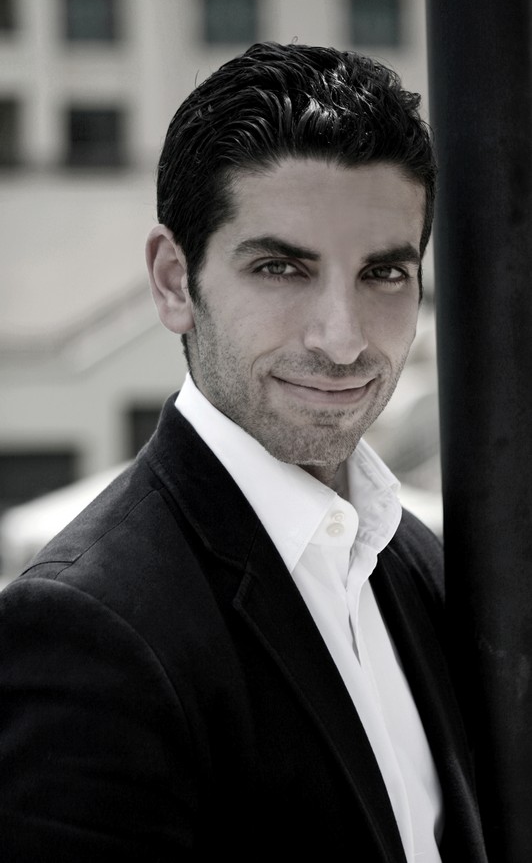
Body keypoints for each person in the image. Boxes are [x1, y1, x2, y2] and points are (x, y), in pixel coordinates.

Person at [0, 42, 487, 862]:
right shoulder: (85, 629)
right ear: (173, 280)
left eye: (383, 274)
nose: (342, 340)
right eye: (281, 268)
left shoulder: (419, 565)